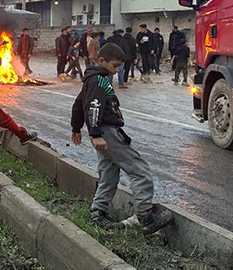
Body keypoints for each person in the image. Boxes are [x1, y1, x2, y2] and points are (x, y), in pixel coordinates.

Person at [70, 43, 174, 235]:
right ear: (101, 61)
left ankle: (97, 212)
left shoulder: (91, 80)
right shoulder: (99, 81)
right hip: (107, 133)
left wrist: (76, 128)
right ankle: (145, 216)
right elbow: (93, 106)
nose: (116, 70)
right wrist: (95, 134)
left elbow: (78, 104)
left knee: (109, 173)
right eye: (114, 65)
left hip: (102, 134)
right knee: (139, 169)